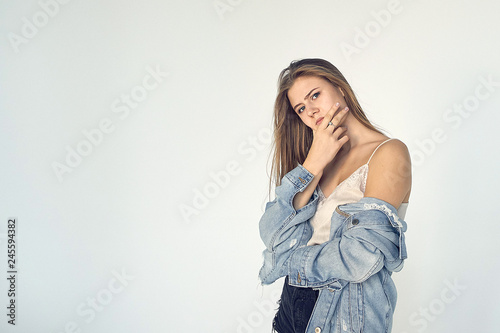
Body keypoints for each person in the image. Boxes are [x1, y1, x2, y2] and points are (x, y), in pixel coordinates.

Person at [258, 58, 412, 332]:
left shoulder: (388, 153)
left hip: (346, 313)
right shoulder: (316, 161)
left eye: (315, 94)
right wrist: (314, 163)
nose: (312, 111)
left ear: (340, 88)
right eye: (301, 108)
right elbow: (271, 233)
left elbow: (362, 256)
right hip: (291, 308)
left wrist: (289, 262)